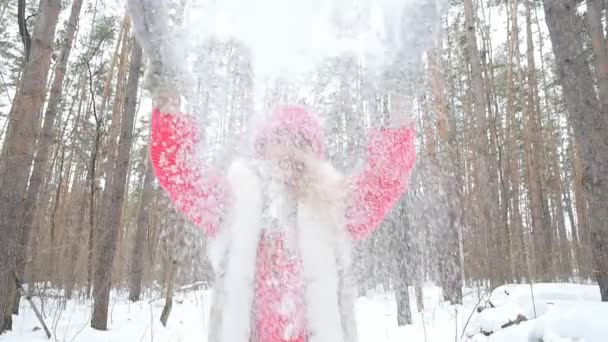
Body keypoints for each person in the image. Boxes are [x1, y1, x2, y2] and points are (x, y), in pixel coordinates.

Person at [149, 88, 415, 342]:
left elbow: (383, 181)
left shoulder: (332, 202)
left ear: (315, 153)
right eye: (279, 139)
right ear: (262, 148)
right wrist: (168, 99)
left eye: (300, 142)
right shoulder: (235, 200)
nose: (289, 150)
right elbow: (180, 172)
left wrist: (401, 105)